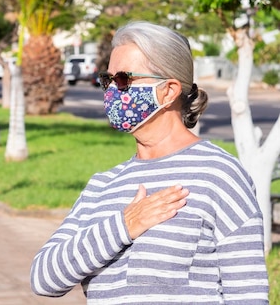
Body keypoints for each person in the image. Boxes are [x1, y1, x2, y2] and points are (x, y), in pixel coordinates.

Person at [30, 21, 268, 304]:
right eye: (108, 81)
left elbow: (248, 294)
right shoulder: (102, 185)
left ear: (168, 91)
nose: (111, 92)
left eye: (123, 80)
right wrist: (125, 225)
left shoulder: (219, 175)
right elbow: (43, 279)